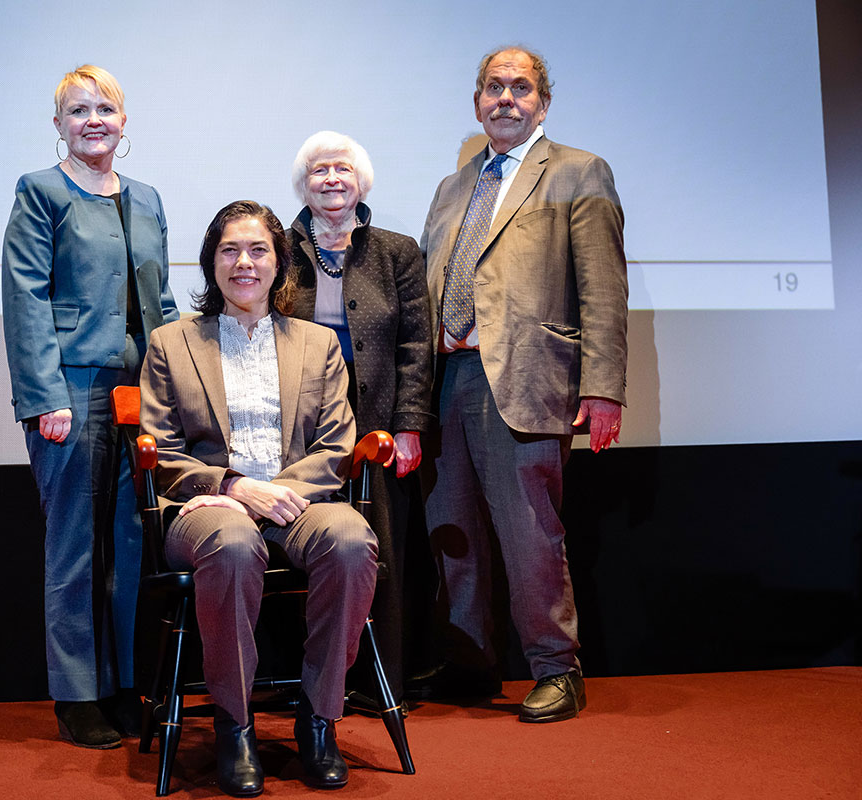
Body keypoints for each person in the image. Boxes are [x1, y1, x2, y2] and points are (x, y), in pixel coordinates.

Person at [140, 201, 378, 795]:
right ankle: (235, 725)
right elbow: (161, 451)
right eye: (229, 250)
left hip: (296, 501)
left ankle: (318, 719)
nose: (243, 263)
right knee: (232, 541)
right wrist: (230, 488)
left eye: (258, 250)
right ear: (210, 262)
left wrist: (276, 494)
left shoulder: (318, 343)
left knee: (351, 540)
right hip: (205, 509)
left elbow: (336, 444)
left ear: (280, 264)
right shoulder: (172, 343)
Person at [419, 46, 628, 722]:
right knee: (452, 530)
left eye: (521, 88)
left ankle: (555, 668)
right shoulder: (454, 186)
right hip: (448, 375)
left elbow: (604, 290)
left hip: (528, 377)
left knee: (528, 532)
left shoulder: (578, 172)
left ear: (542, 101)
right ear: (476, 99)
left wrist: (604, 388)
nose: (505, 98)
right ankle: (471, 662)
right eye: (493, 87)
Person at [1, 64, 179, 748]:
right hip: (71, 391)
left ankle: (123, 685)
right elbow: (26, 299)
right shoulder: (40, 193)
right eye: (79, 110)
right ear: (58, 126)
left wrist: (178, 390)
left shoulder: (147, 197)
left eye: (105, 107)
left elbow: (161, 302)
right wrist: (45, 395)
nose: (93, 120)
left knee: (132, 545)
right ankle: (77, 694)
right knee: (76, 546)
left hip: (140, 391)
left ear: (124, 120)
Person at [286, 131, 433, 701]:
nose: (331, 179)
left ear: (361, 180)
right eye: (319, 170)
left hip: (377, 419)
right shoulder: (280, 246)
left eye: (342, 169)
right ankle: (305, 681)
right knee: (303, 537)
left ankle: (376, 684)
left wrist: (409, 424)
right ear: (304, 183)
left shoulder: (396, 251)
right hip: (299, 421)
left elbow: (416, 345)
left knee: (378, 544)